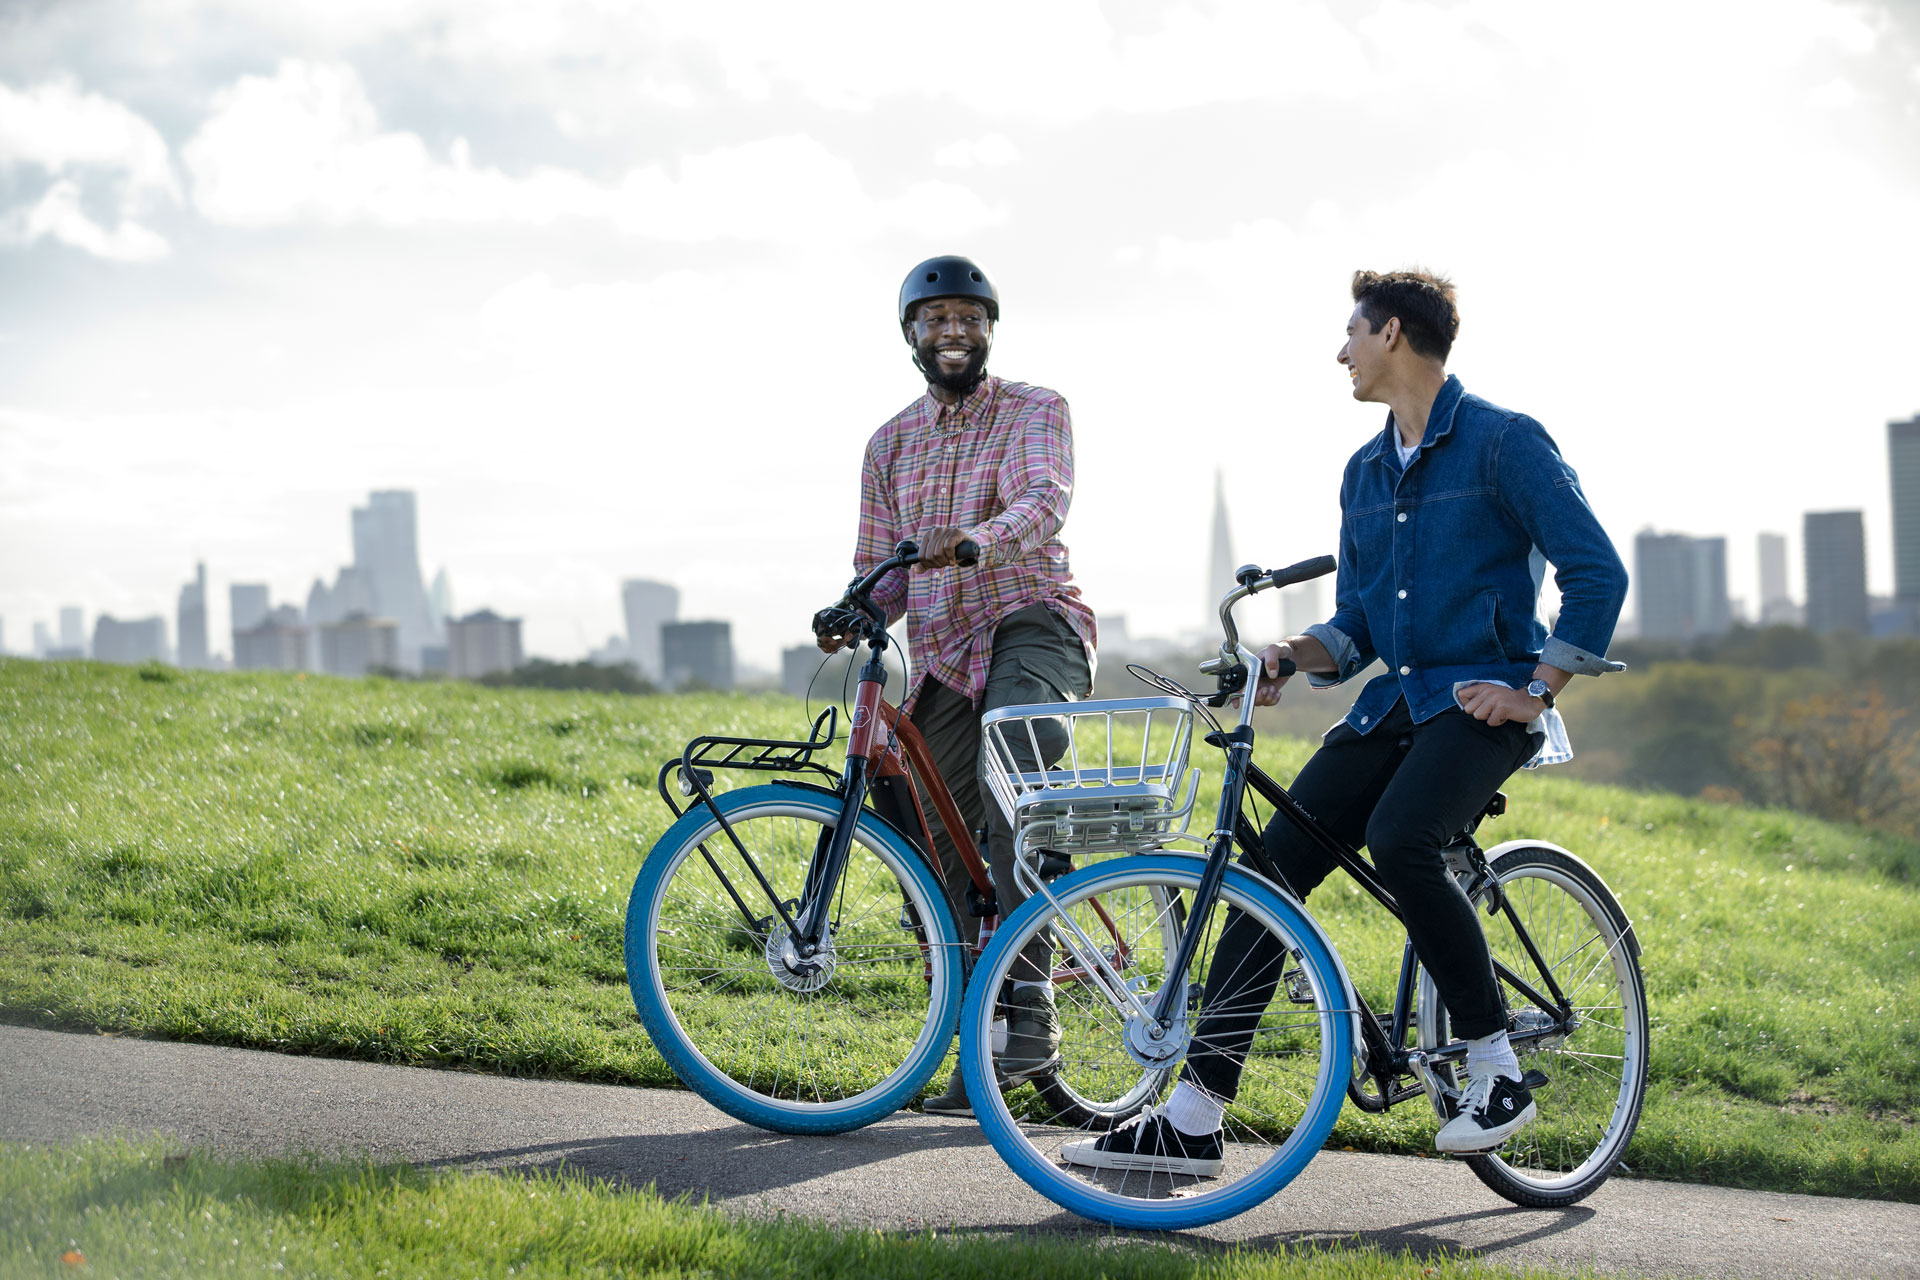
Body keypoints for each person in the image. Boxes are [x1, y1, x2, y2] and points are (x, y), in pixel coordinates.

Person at [1066, 268, 1629, 1174]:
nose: (1342, 353)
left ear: (1395, 334)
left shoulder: (1504, 443)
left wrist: (1537, 689)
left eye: (1352, 334)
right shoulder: (1365, 472)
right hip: (1394, 705)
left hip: (1482, 704)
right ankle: (1197, 1114)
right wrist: (1290, 654)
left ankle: (1496, 1068)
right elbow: (1361, 623)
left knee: (1403, 837)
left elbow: (1598, 572)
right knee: (1270, 869)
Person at [813, 254, 1097, 1117]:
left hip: (1030, 621)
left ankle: (1033, 1006)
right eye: (935, 319)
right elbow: (883, 568)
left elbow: (1044, 500)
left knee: (1016, 770)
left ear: (990, 328)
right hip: (940, 653)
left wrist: (976, 539)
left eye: (970, 317)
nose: (953, 331)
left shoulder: (1034, 410)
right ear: (910, 334)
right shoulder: (888, 444)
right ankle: (980, 1038)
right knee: (922, 835)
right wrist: (856, 608)